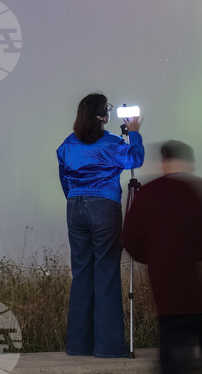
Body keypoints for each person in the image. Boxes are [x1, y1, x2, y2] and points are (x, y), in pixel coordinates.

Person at [122, 140, 202, 374]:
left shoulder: (148, 194)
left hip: (165, 294)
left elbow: (130, 238)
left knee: (171, 359)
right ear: (187, 162)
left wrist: (154, 258)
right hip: (197, 293)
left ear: (164, 162)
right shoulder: (199, 192)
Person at [57, 92, 144, 358]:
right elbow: (135, 159)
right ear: (104, 117)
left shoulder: (67, 145)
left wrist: (76, 199)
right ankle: (108, 347)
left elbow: (64, 178)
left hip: (75, 207)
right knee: (106, 273)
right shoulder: (113, 143)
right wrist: (134, 131)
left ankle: (78, 345)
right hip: (104, 207)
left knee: (82, 274)